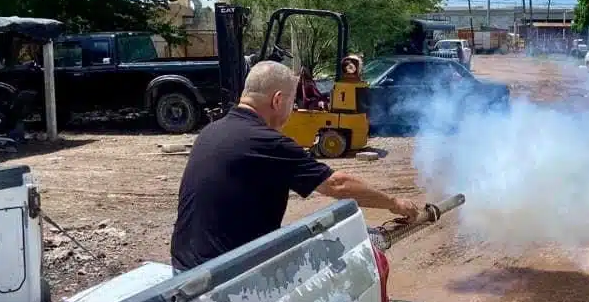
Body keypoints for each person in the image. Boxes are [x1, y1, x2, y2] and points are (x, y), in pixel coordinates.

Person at [170, 60, 420, 272]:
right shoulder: (269, 142)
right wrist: (394, 203)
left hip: (184, 268)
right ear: (278, 100)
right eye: (292, 101)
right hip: (227, 277)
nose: (292, 110)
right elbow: (337, 184)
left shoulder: (211, 131)